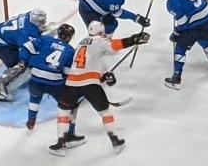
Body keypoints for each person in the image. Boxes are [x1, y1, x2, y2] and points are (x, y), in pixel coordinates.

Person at [49, 21, 149, 156]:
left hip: (72, 83)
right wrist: (134, 39)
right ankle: (115, 140)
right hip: (90, 84)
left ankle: (61, 143)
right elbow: (114, 46)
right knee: (105, 113)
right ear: (101, 32)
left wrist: (102, 77)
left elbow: (86, 64)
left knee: (63, 112)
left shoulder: (81, 43)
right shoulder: (99, 41)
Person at [149, 0, 208, 91]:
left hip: (198, 23)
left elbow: (183, 21)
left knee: (180, 46)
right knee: (203, 39)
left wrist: (176, 33)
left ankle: (176, 78)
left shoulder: (171, 3)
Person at [20, 24, 76, 131]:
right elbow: (67, 72)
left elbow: (27, 46)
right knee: (68, 104)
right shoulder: (70, 50)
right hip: (54, 83)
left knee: (34, 98)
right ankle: (70, 131)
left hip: (36, 78)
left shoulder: (45, 39)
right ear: (69, 37)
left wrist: (25, 60)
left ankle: (31, 121)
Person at [0, 9, 47, 102]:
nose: (43, 23)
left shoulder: (29, 16)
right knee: (20, 65)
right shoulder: (26, 33)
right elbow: (25, 55)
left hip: (1, 35)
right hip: (0, 45)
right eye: (41, 22)